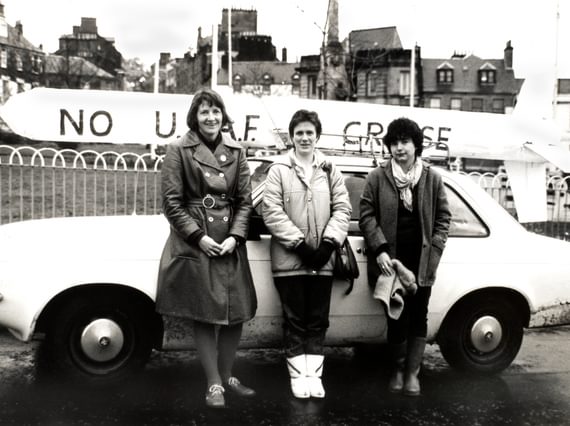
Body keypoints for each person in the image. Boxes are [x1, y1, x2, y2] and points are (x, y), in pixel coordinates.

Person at [156, 88, 257, 409]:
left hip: (229, 241)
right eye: (204, 112)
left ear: (223, 116)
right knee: (205, 313)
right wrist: (199, 236)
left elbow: (244, 202)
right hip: (198, 241)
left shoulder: (237, 152)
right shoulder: (178, 150)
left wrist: (235, 237)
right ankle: (213, 383)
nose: (211, 117)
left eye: (216, 111)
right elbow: (172, 204)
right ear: (194, 117)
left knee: (236, 312)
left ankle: (228, 376)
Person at [262, 109, 351, 399]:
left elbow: (343, 209)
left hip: (323, 260)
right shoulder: (278, 170)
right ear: (291, 136)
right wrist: (300, 245)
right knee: (295, 320)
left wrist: (328, 244)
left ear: (317, 136)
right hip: (290, 261)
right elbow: (271, 211)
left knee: (318, 320)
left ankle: (315, 376)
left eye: (309, 132)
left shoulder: (329, 169)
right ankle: (297, 376)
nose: (304, 137)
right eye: (299, 132)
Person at [359, 117, 451, 397]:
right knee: (395, 315)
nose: (399, 148)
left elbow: (444, 217)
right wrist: (381, 249)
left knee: (418, 316)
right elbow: (366, 215)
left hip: (422, 261)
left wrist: (435, 247)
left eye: (405, 142)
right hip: (391, 261)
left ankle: (413, 373)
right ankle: (398, 370)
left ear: (416, 146)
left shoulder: (432, 178)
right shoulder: (377, 177)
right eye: (395, 142)